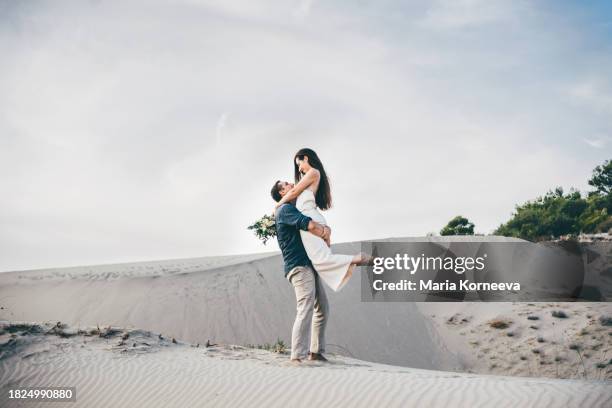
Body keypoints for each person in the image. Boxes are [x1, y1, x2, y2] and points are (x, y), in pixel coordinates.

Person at [273, 148, 369, 292]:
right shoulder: (311, 176)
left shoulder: (313, 172)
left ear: (306, 158)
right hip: (312, 217)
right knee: (322, 257)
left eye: (299, 164)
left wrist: (277, 206)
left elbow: (293, 192)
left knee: (321, 259)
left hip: (310, 218)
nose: (299, 169)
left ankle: (360, 258)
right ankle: (360, 259)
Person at [271, 186, 331, 363]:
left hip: (309, 264)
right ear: (282, 192)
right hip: (299, 266)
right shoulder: (285, 210)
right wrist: (325, 231)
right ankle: (297, 356)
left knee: (322, 307)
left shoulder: (291, 208)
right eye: (288, 184)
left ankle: (316, 352)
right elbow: (309, 224)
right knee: (305, 308)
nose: (293, 185)